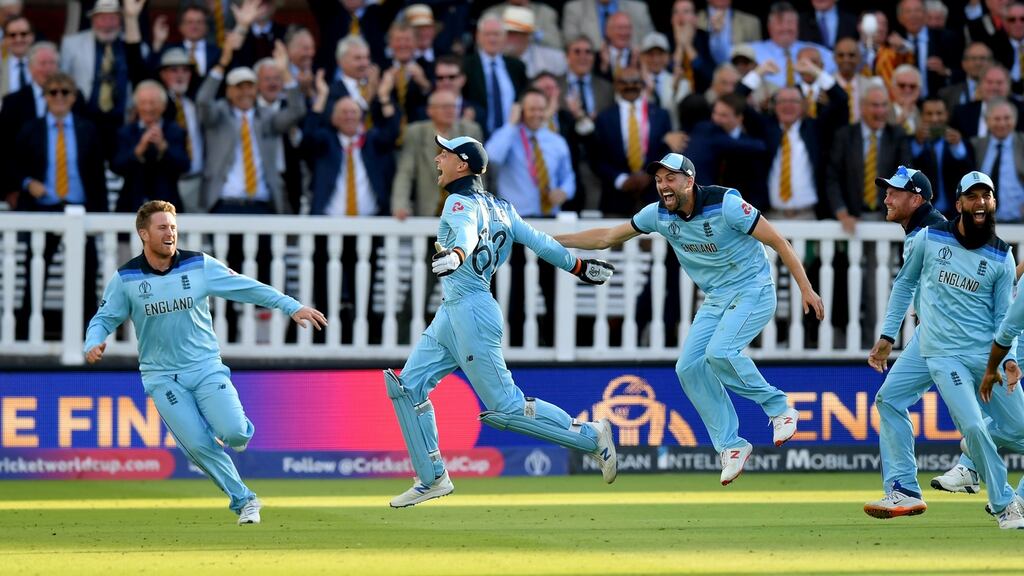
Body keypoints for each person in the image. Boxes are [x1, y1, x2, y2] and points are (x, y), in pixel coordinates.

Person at [555, 152, 825, 486]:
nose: (663, 186)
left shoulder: (726, 204)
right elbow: (607, 237)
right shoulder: (657, 215)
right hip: (716, 299)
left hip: (753, 290)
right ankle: (731, 445)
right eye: (658, 180)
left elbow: (778, 242)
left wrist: (806, 289)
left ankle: (780, 408)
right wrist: (547, 241)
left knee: (720, 353)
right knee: (688, 367)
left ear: (689, 180)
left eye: (670, 179)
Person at [385, 134, 617, 508]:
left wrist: (458, 254)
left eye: (443, 154)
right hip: (457, 309)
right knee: (408, 386)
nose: (437, 159)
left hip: (471, 311)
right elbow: (539, 241)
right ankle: (431, 478)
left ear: (462, 164)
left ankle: (591, 436)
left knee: (505, 406)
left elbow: (466, 232)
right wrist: (578, 266)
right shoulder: (503, 207)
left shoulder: (458, 203)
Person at [83, 200, 327, 524]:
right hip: (161, 377)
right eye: (162, 227)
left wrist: (290, 306)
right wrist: (92, 341)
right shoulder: (126, 279)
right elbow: (103, 318)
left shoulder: (198, 265)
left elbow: (247, 288)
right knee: (197, 445)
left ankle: (214, 427)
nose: (170, 233)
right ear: (144, 234)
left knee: (236, 434)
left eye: (173, 226)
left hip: (204, 367)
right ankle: (245, 501)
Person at [866, 171, 1024, 529]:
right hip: (937, 347)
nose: (980, 202)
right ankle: (1000, 503)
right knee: (956, 419)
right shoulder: (928, 236)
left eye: (986, 196)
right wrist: (888, 336)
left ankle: (972, 465)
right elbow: (905, 284)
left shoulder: (999, 256)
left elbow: (1005, 316)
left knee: (1017, 429)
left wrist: (1010, 358)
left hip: (983, 353)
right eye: (972, 196)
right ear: (959, 203)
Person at [862, 166, 946, 519]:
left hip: (963, 337)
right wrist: (888, 336)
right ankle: (904, 490)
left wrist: (886, 337)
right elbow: (907, 287)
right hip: (934, 334)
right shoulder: (923, 230)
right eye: (886, 191)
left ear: (916, 199)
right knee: (891, 397)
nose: (887, 198)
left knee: (1003, 420)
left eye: (894, 192)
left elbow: (903, 288)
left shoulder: (934, 232)